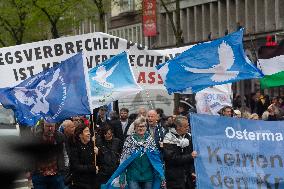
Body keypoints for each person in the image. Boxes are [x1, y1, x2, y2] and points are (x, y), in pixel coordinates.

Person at [115, 117, 165, 189]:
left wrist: (161, 174)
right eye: (138, 126)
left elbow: (156, 159)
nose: (140, 128)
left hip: (148, 175)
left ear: (146, 127)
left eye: (143, 126)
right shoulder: (129, 140)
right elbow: (124, 160)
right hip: (133, 176)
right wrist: (122, 177)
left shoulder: (150, 140)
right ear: (135, 128)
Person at [163, 115, 197, 189]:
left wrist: (192, 171)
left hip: (188, 178)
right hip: (174, 179)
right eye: (185, 126)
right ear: (178, 127)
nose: (188, 128)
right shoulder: (168, 138)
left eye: (188, 125)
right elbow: (172, 159)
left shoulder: (190, 137)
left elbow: (194, 159)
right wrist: (190, 156)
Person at [30, 120, 66, 189]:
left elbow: (64, 153)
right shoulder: (36, 137)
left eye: (52, 126)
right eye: (47, 126)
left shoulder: (60, 137)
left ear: (55, 126)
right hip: (39, 175)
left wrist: (64, 168)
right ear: (43, 125)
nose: (50, 128)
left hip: (56, 175)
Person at [69, 123, 98, 189]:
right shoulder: (75, 148)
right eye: (86, 131)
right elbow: (76, 167)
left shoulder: (92, 145)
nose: (89, 134)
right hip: (80, 183)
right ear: (80, 135)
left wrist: (99, 153)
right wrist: (92, 168)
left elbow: (99, 162)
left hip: (93, 182)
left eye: (89, 131)